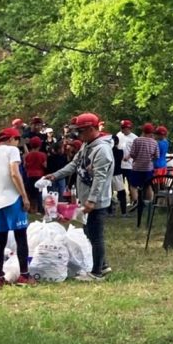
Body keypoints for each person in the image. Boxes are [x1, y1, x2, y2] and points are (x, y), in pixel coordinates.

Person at [46, 113, 115, 281]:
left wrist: (92, 200)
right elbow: (74, 165)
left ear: (91, 129)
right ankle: (103, 264)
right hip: (86, 198)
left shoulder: (102, 150)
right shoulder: (86, 146)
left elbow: (100, 178)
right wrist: (55, 175)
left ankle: (97, 272)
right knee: (88, 232)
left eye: (81, 131)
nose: (78, 135)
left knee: (95, 235)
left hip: (96, 201)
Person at [0, 128, 33, 287]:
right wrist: (24, 196)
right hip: (13, 200)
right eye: (17, 140)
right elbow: (14, 173)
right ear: (12, 139)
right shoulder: (12, 150)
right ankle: (24, 275)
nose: (18, 143)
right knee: (21, 238)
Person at [127, 123, 159, 206]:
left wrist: (137, 158)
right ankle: (148, 203)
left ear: (143, 130)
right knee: (148, 185)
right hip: (148, 168)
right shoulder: (154, 142)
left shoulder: (137, 140)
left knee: (133, 185)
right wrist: (150, 159)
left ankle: (136, 203)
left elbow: (132, 153)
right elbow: (157, 156)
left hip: (137, 167)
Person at [116, 120, 138, 208]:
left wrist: (129, 157)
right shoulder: (119, 135)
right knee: (119, 185)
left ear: (129, 128)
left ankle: (133, 201)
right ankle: (121, 200)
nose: (122, 130)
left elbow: (136, 151)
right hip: (119, 165)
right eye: (121, 128)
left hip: (130, 165)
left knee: (131, 184)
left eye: (124, 128)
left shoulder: (134, 138)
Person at [23, 137, 47, 214]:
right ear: (39, 145)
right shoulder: (42, 155)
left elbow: (24, 165)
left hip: (29, 175)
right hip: (39, 175)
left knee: (31, 193)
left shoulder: (27, 155)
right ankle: (40, 209)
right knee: (39, 193)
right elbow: (45, 165)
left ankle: (31, 208)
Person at [110, 133, 128, 216]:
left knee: (108, 193)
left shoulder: (108, 151)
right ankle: (123, 212)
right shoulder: (120, 152)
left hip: (108, 174)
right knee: (121, 194)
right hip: (117, 173)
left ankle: (110, 211)